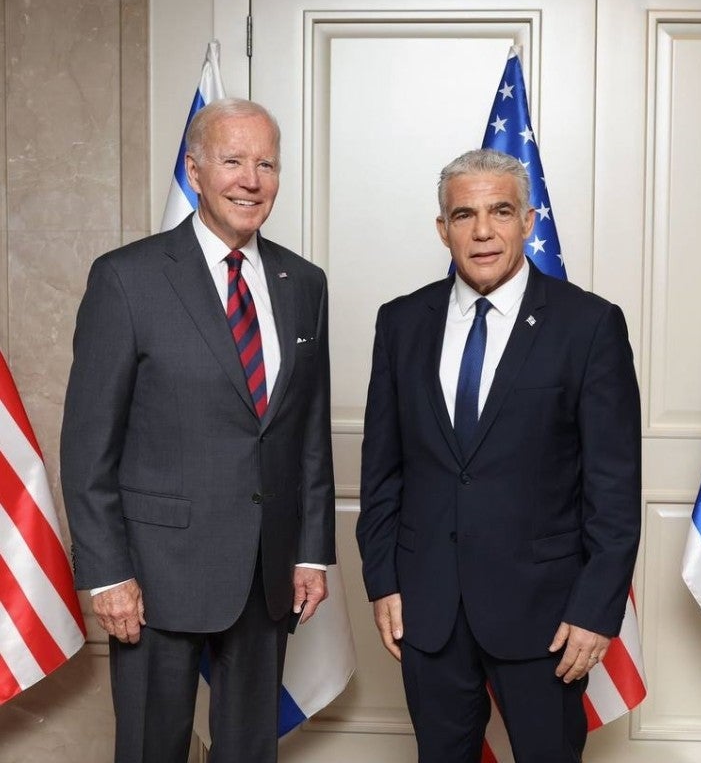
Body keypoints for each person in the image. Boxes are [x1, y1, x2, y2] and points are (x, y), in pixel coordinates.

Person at [60, 98, 335, 763]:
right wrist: (107, 574)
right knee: (154, 748)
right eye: (233, 160)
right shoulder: (127, 278)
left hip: (266, 576)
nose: (251, 179)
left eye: (266, 163)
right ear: (195, 169)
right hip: (155, 577)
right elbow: (88, 443)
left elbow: (308, 433)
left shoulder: (303, 283)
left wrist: (310, 552)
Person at [356, 149, 641, 763]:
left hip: (548, 616)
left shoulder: (589, 325)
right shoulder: (401, 323)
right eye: (464, 215)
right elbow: (382, 471)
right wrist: (382, 581)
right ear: (443, 229)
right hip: (426, 610)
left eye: (500, 211)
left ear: (529, 220)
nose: (482, 231)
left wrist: (596, 611)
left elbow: (614, 489)